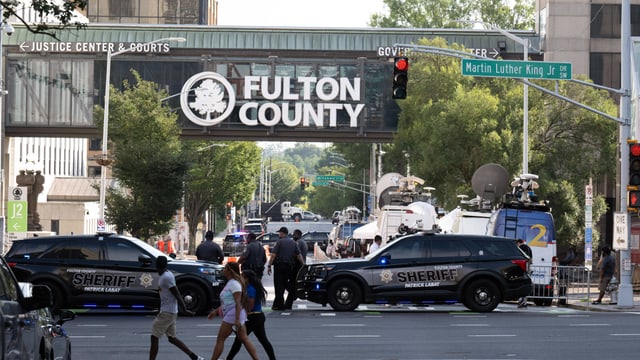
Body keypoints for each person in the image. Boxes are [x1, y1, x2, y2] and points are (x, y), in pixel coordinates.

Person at [149, 256, 204, 360]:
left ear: (158, 266)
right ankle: (194, 357)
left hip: (167, 313)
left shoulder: (166, 277)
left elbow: (177, 294)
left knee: (154, 337)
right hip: (170, 311)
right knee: (172, 338)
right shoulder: (165, 274)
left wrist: (185, 309)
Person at [207, 262, 259, 360]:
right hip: (234, 314)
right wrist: (216, 311)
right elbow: (227, 302)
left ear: (230, 271)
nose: (223, 271)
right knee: (244, 339)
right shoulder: (231, 283)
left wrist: (237, 319)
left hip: (233, 314)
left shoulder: (235, 284)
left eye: (225, 268)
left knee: (220, 339)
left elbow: (238, 303)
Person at [226, 269, 276, 360]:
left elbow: (250, 306)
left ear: (247, 279)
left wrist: (241, 314)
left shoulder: (250, 289)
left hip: (253, 317)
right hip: (258, 316)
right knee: (263, 340)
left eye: (242, 277)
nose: (240, 279)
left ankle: (229, 358)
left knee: (239, 340)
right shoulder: (251, 287)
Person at [267, 227, 304, 311]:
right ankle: (290, 294)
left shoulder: (279, 242)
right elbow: (299, 255)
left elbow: (273, 255)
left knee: (278, 285)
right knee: (284, 283)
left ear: (283, 233)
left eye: (279, 233)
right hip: (289, 267)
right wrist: (303, 265)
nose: (279, 234)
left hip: (279, 266)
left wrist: (269, 265)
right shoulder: (293, 242)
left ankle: (279, 304)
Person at [283, 229, 307, 309]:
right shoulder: (303, 242)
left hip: (297, 265)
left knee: (288, 283)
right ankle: (293, 295)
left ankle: (294, 293)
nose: (293, 236)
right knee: (292, 283)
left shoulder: (298, 243)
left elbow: (296, 254)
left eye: (294, 235)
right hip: (300, 265)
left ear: (298, 235)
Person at [516, 239, 532, 308]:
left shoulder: (519, 248)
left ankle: (520, 301)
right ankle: (524, 302)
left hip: (521, 269)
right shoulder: (528, 248)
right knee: (526, 285)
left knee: (520, 285)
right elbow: (531, 260)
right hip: (527, 269)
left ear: (519, 243)